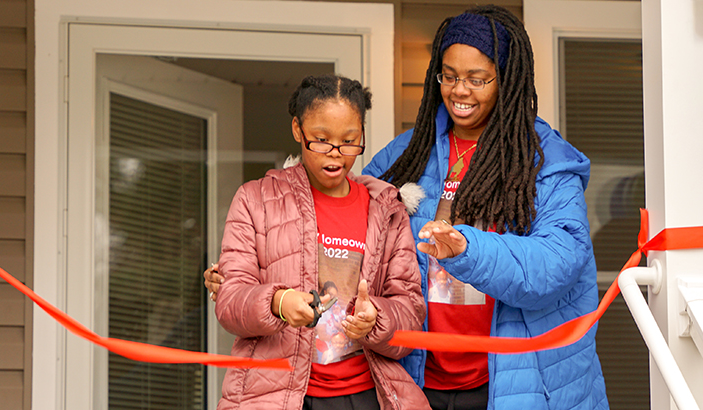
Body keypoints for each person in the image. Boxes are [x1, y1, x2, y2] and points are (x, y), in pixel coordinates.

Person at [208, 5, 610, 410]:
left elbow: (557, 263)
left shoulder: (546, 160)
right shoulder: (407, 154)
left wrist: (466, 249)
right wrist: (253, 273)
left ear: (506, 80)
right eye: (449, 76)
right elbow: (344, 212)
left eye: (476, 79)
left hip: (514, 382)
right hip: (418, 379)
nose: (459, 91)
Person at [212, 74, 429, 410]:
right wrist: (278, 303)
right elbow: (228, 302)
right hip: (276, 396)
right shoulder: (255, 199)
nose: (335, 154)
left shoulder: (386, 209)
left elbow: (410, 311)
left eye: (349, 141)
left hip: (365, 395)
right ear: (298, 129)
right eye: (321, 139)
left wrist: (377, 319)